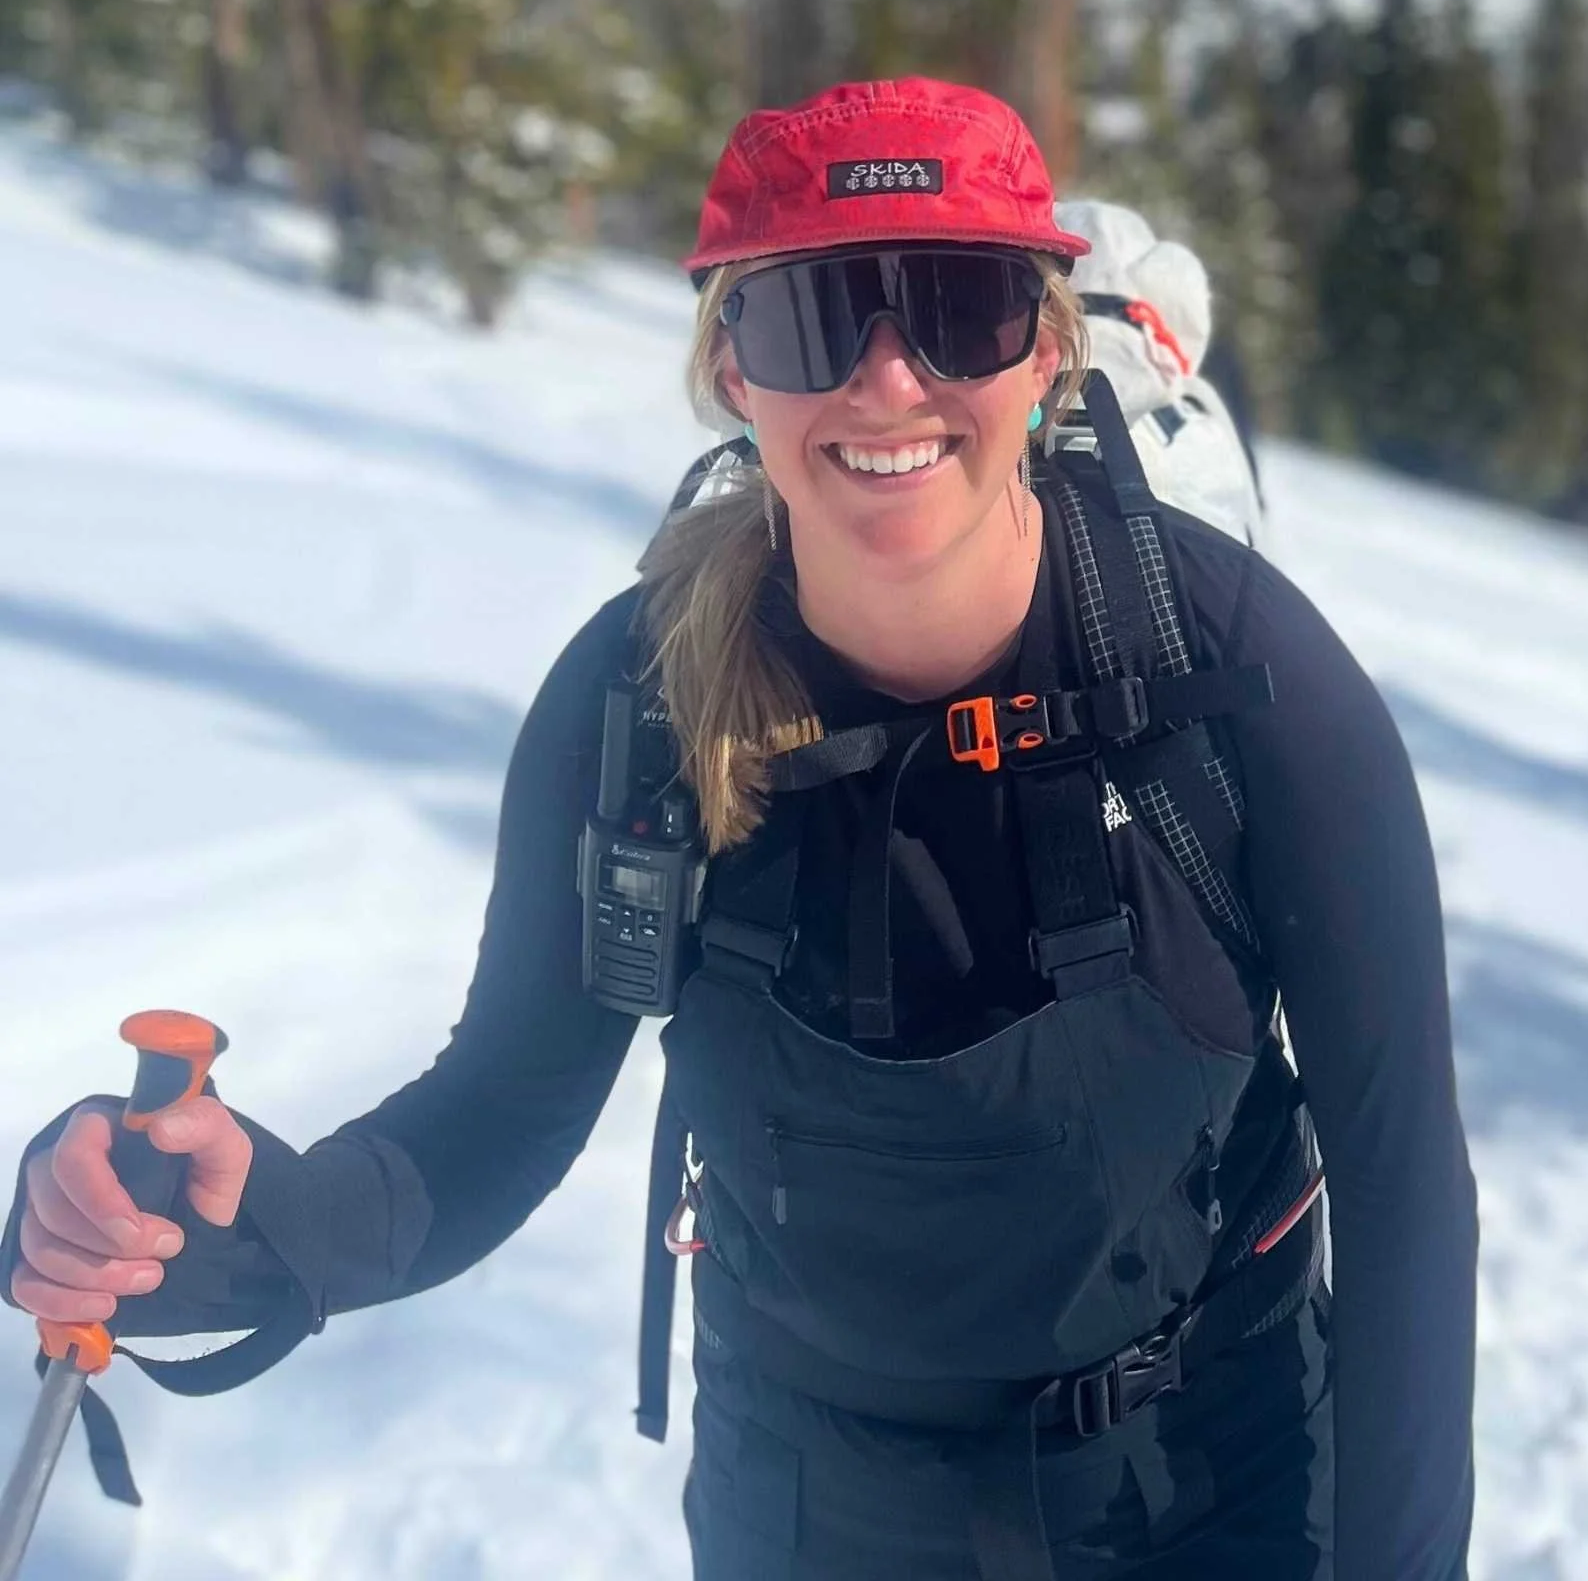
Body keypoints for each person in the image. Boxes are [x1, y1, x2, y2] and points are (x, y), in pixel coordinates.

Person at [3, 77, 1478, 1580]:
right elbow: (505, 1109)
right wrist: (241, 1222)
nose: (886, 381)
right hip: (806, 1504)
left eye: (958, 308)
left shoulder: (1227, 670)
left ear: (1046, 352)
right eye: (810, 317)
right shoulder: (635, 698)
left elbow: (1404, 1175)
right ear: (731, 370)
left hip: (1202, 1483)